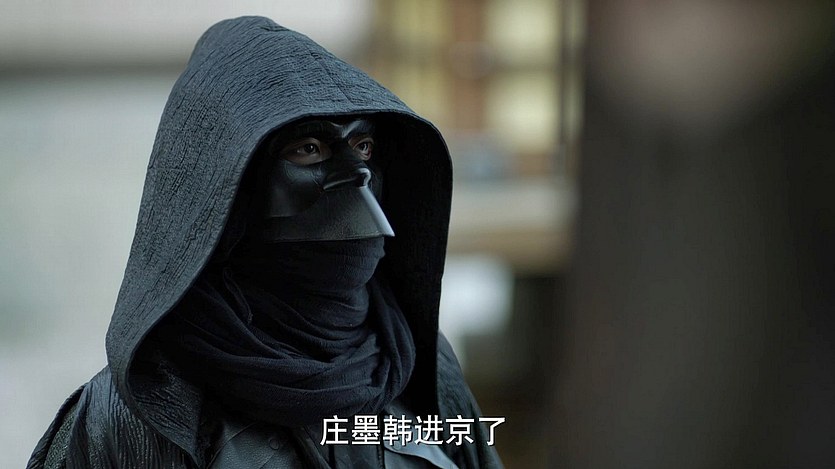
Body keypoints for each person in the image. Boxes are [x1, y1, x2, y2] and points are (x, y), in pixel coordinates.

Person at [27, 16, 503, 469]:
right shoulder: (140, 413)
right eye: (309, 149)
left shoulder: (420, 364)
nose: (356, 175)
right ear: (229, 189)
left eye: (362, 146)